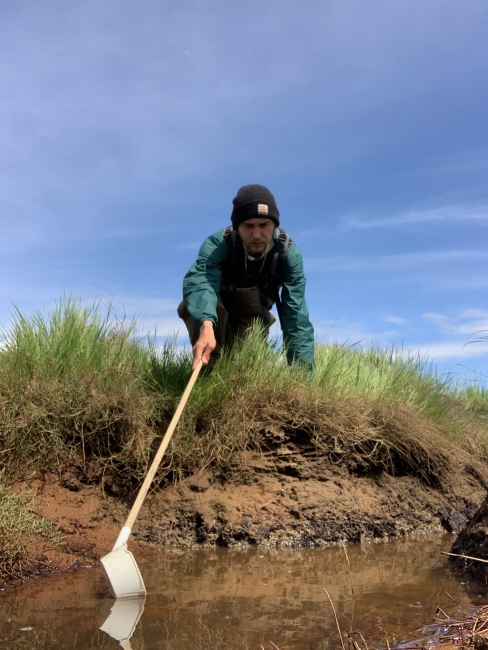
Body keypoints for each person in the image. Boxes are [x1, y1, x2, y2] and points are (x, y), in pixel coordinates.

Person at [178, 184, 314, 370]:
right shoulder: (217, 245)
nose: (256, 235)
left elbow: (296, 317)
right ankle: (206, 372)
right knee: (198, 307)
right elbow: (201, 283)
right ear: (237, 228)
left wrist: (302, 377)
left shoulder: (288, 255)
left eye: (264, 225)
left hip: (252, 317)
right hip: (216, 311)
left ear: (275, 225)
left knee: (245, 369)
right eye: (248, 226)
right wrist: (206, 325)